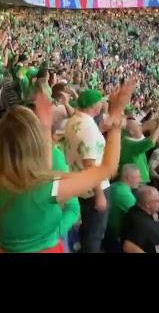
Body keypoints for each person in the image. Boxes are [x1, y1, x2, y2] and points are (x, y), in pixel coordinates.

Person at [0, 83, 134, 253]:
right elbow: (108, 169)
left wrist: (46, 128)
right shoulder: (49, 189)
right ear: (35, 144)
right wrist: (116, 118)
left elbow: (42, 170)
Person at [64, 88, 112, 253]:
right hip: (94, 190)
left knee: (87, 229)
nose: (103, 103)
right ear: (95, 105)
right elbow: (90, 164)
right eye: (101, 100)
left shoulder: (74, 120)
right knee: (95, 234)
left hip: (80, 185)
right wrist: (99, 195)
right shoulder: (89, 129)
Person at [121, 186, 159, 253]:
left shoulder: (134, 210)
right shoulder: (142, 223)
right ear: (147, 204)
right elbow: (128, 246)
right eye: (157, 200)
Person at [120, 111, 159, 185]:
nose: (141, 127)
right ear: (132, 132)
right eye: (138, 126)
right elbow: (151, 142)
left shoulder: (130, 139)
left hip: (138, 181)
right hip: (135, 183)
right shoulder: (128, 143)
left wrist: (154, 122)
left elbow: (149, 134)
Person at [106, 164, 141, 251]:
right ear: (129, 178)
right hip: (116, 236)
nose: (140, 180)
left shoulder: (114, 186)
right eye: (138, 177)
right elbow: (140, 215)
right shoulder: (124, 193)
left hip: (108, 232)